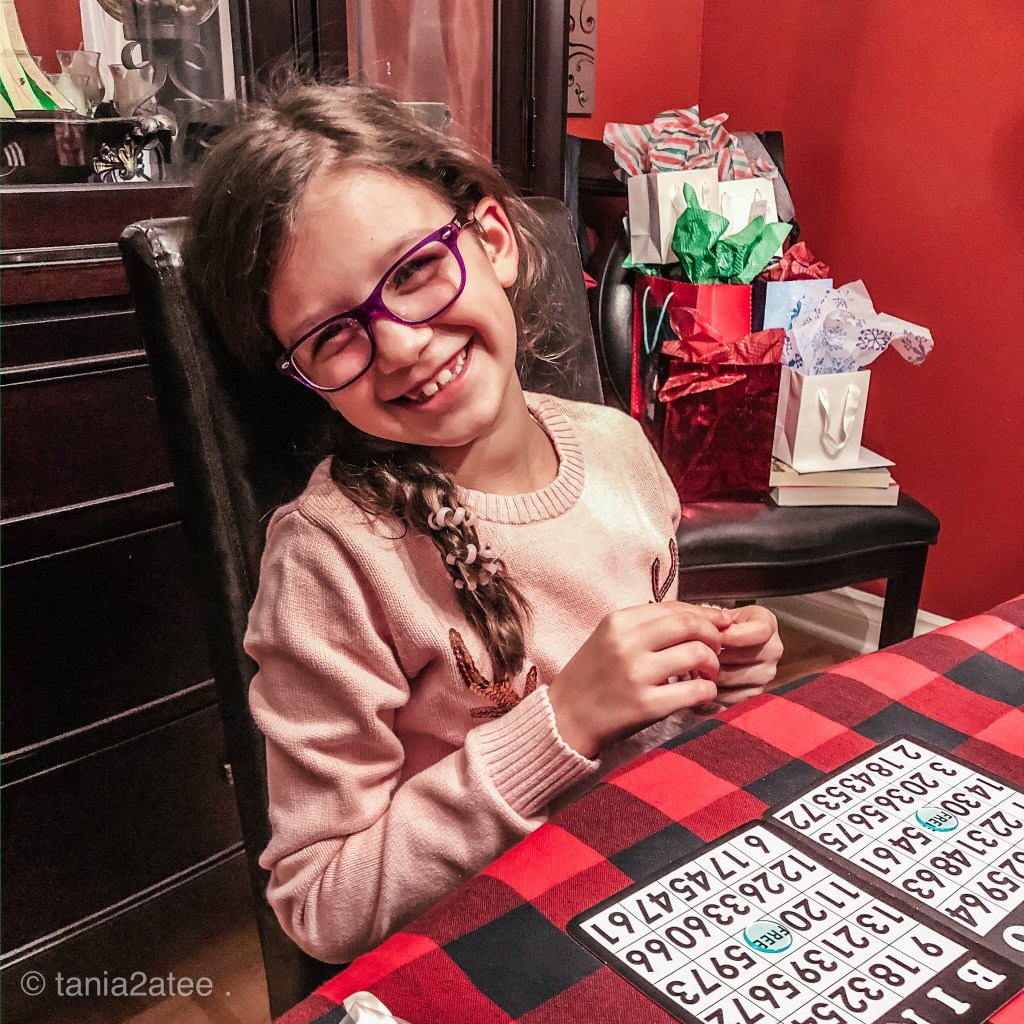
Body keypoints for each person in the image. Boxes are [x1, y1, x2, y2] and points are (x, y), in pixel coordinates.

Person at [184, 80, 783, 965]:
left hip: (663, 897)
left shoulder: (618, 448)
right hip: (498, 955)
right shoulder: (332, 561)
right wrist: (560, 726)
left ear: (493, 239)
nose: (399, 344)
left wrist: (709, 672)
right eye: (331, 337)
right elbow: (319, 902)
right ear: (300, 372)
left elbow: (652, 729)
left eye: (414, 271)